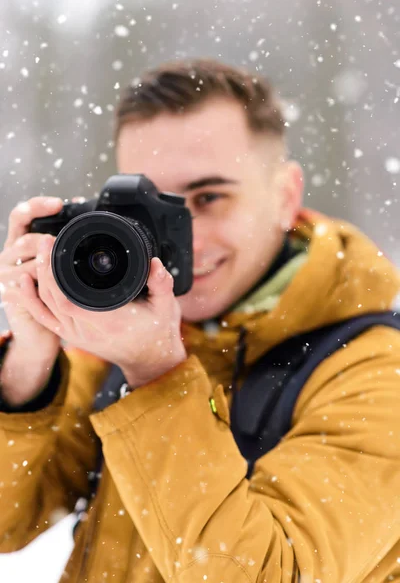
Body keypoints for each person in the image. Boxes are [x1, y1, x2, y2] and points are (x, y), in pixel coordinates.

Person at [0, 59, 400, 583]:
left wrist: (157, 376)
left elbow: (271, 575)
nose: (183, 239)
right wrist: (29, 363)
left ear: (285, 196)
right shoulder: (116, 349)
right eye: (149, 208)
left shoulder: (376, 373)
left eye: (209, 198)